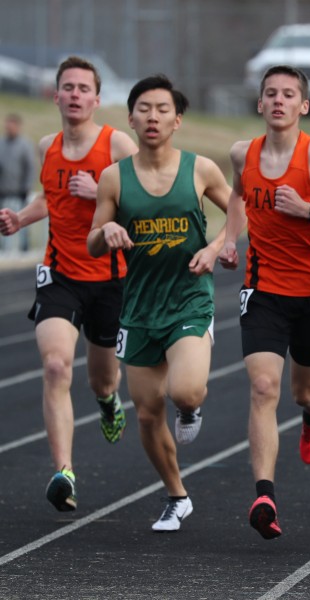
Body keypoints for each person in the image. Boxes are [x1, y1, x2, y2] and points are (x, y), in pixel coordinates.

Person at [218, 65, 310, 540]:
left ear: (303, 105)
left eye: (288, 94)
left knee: (304, 390)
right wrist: (229, 238)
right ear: (260, 103)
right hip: (263, 290)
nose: (278, 100)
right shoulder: (242, 153)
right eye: (271, 93)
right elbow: (237, 196)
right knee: (264, 387)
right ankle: (264, 495)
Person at [87, 74, 230, 531]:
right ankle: (176, 496)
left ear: (177, 120)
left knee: (185, 391)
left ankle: (190, 407)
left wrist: (216, 247)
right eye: (144, 109)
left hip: (188, 299)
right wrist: (107, 231)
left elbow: (241, 211)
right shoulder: (114, 178)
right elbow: (92, 242)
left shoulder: (200, 169)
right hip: (139, 307)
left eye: (162, 109)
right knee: (148, 413)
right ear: (130, 119)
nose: (153, 117)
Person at [0, 56, 138, 512]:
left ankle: (108, 401)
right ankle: (64, 472)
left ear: (96, 99)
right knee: (57, 366)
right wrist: (21, 219)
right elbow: (50, 196)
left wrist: (101, 192)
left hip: (110, 278)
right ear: (56, 96)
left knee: (102, 379)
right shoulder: (48, 145)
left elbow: (146, 199)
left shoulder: (116, 144)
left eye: (84, 88)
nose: (76, 95)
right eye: (69, 87)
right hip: (60, 274)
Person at [0, 113, 36, 253]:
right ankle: (4, 250)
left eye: (12, 125)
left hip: (18, 192)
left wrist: (26, 188)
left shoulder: (25, 145)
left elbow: (30, 168)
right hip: (3, 191)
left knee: (20, 220)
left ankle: (23, 248)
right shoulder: (2, 144)